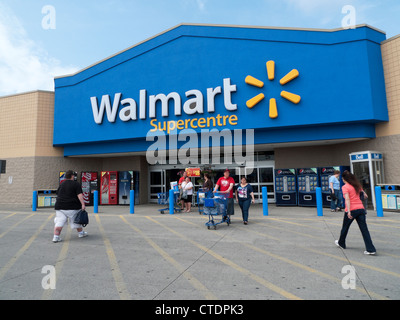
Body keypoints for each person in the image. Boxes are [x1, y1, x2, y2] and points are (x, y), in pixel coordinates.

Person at [335, 170, 376, 255]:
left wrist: (349, 211)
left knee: (345, 227)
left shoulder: (345, 187)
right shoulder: (357, 185)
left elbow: (347, 199)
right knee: (364, 230)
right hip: (361, 209)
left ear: (343, 179)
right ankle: (370, 249)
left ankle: (341, 243)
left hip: (352, 209)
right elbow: (365, 196)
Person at [53, 170, 88, 243]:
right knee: (76, 221)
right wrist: (83, 204)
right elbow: (80, 195)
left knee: (59, 221)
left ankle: (56, 237)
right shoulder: (76, 184)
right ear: (72, 176)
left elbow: (58, 193)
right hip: (72, 206)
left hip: (60, 206)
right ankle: (81, 233)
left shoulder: (62, 184)